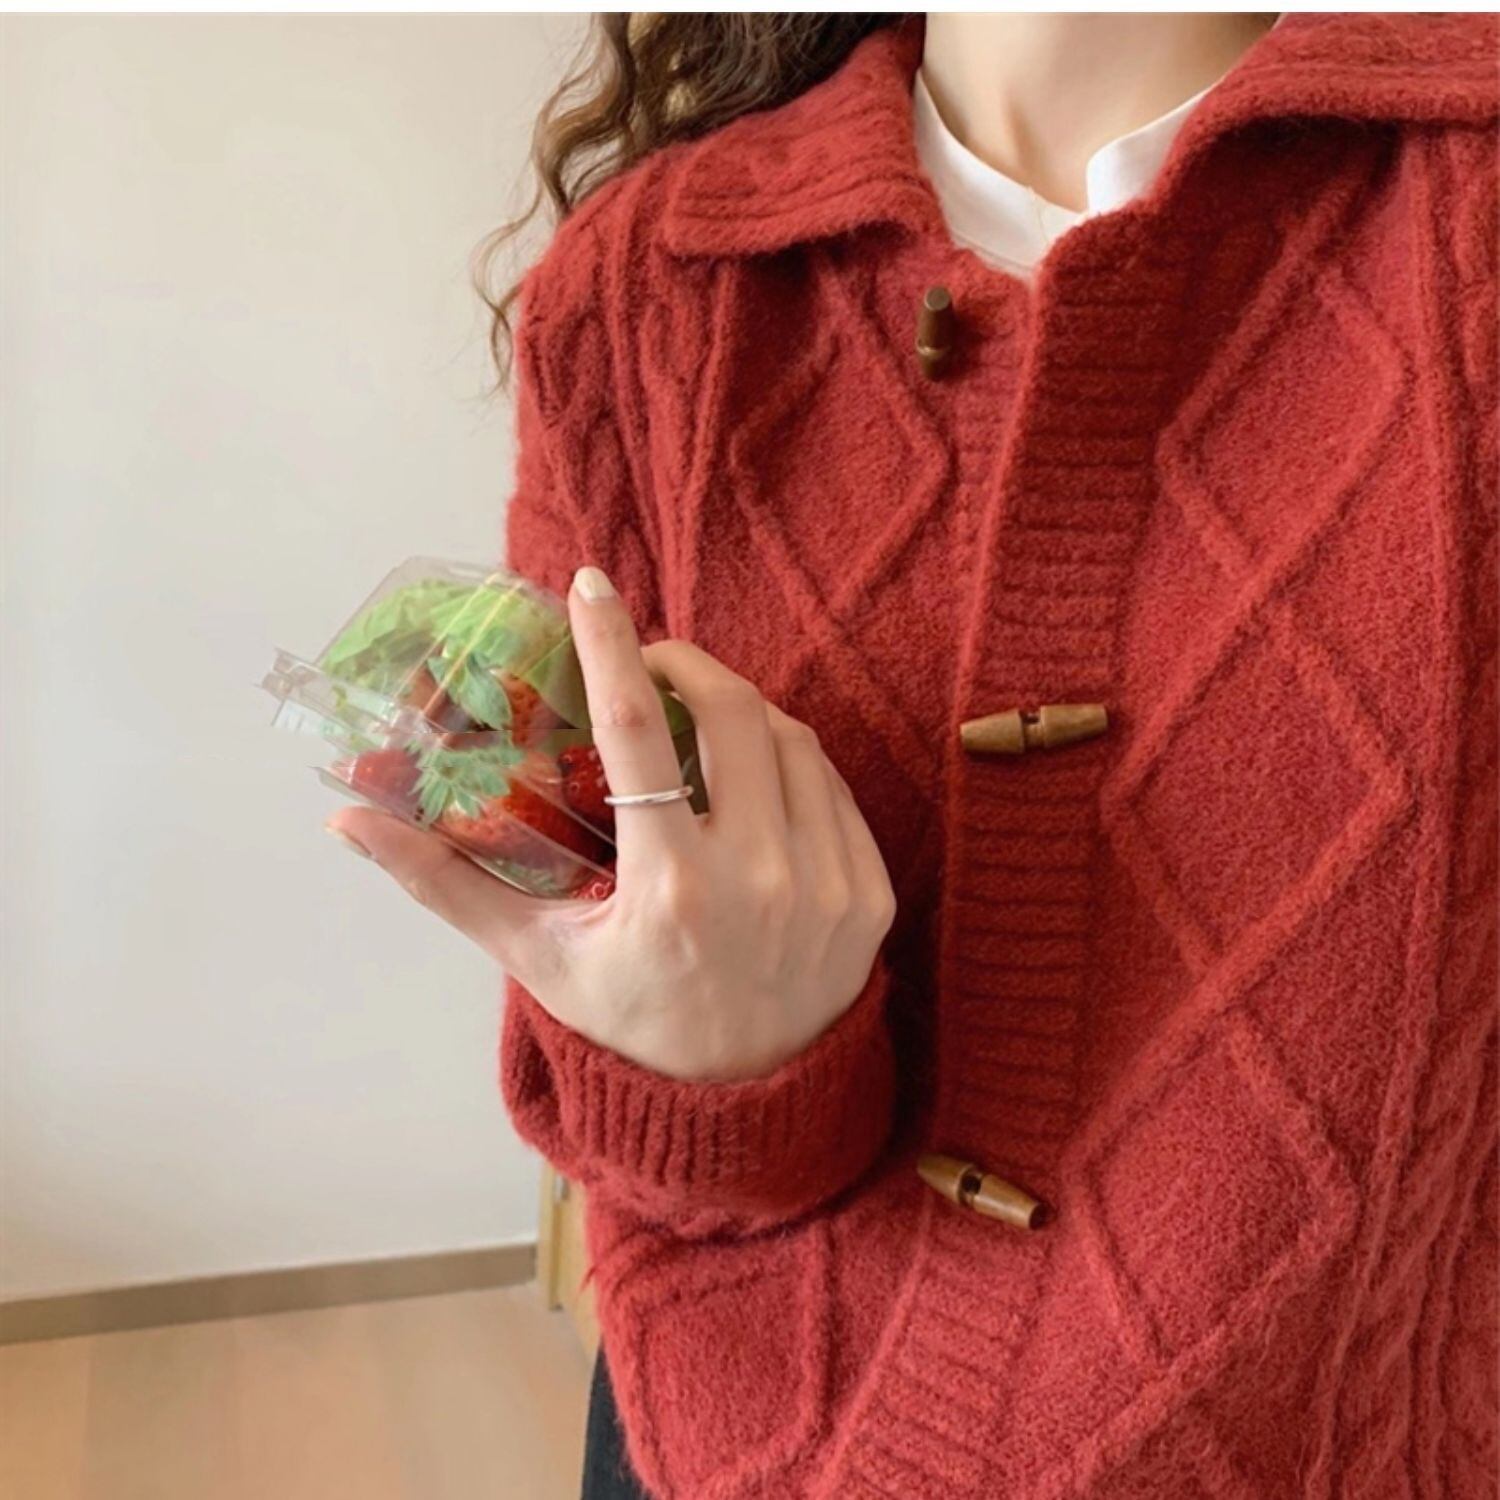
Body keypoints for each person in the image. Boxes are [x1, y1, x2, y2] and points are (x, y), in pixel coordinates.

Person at [327, 12, 1498, 1499]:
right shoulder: (648, 285)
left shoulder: (1463, 215)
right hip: (727, 1448)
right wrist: (709, 1069)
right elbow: (645, 1124)